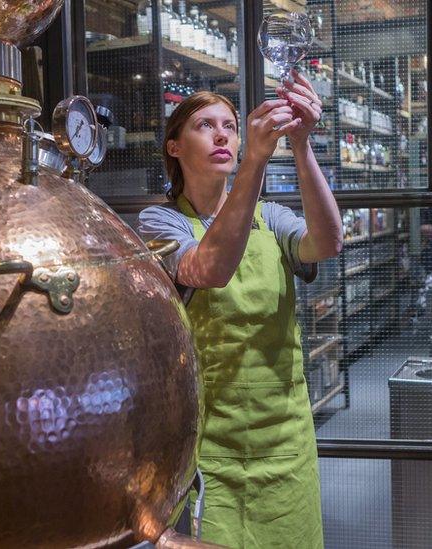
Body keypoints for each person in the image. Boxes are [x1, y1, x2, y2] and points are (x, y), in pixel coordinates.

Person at [137, 71, 342, 549]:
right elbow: (209, 268)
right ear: (173, 147)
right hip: (213, 444)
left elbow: (328, 241)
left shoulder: (270, 217)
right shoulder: (160, 221)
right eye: (204, 125)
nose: (222, 134)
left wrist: (301, 146)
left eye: (229, 125)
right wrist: (255, 159)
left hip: (285, 435)